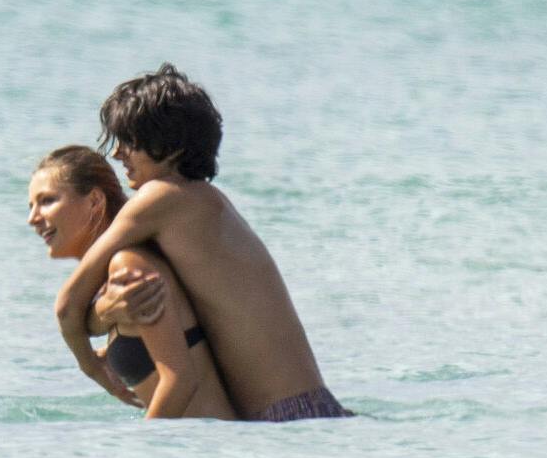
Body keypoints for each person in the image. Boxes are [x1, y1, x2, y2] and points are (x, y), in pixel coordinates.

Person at [54, 65, 352, 423]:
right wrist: (105, 315)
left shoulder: (158, 198)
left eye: (130, 141)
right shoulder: (208, 202)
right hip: (312, 408)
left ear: (170, 146)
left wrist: (93, 367)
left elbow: (68, 307)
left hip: (281, 419)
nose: (117, 154)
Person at [29, 146, 235, 420]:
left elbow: (181, 381)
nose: (33, 218)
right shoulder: (116, 278)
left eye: (47, 201)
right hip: (195, 439)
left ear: (94, 201)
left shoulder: (130, 266)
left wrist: (143, 443)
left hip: (204, 440)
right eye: (31, 206)